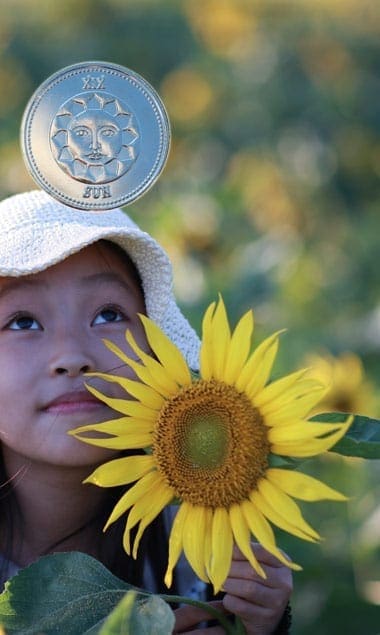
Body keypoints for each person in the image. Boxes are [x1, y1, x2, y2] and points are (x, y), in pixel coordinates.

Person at [0, 189, 292, 634]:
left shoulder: (202, 537)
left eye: (107, 315)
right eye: (23, 322)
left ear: (157, 347)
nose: (72, 356)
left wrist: (260, 620)